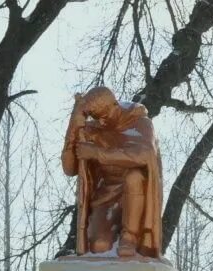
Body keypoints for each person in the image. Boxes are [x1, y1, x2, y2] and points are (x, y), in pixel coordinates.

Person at [61, 86, 163, 259]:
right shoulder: (94, 129)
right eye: (96, 118)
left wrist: (97, 153)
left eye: (105, 117)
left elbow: (144, 154)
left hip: (136, 192)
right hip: (106, 194)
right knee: (99, 246)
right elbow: (69, 169)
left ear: (115, 105)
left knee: (135, 177)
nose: (101, 122)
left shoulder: (140, 123)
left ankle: (129, 236)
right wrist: (74, 125)